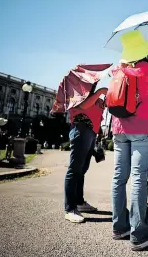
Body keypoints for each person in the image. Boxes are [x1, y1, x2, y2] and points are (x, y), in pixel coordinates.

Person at [110, 30, 148, 251]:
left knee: (119, 177)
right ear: (143, 50)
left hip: (118, 127)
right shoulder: (147, 68)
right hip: (142, 128)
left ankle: (119, 227)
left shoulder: (118, 69)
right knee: (138, 177)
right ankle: (139, 233)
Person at [51, 63, 112, 224]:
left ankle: (79, 201)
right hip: (80, 130)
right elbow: (83, 105)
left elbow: (96, 109)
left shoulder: (92, 94)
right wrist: (99, 93)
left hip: (90, 132)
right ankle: (70, 209)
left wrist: (101, 101)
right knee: (75, 169)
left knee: (82, 169)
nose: (96, 82)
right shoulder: (76, 92)